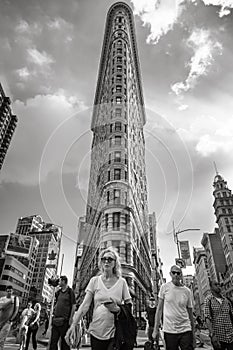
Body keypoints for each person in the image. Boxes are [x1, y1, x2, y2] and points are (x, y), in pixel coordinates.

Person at [66, 247, 132, 350]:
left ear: (115, 263)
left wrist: (118, 309)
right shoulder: (94, 281)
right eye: (103, 259)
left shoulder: (122, 282)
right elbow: (84, 306)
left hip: (115, 333)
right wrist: (73, 325)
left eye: (110, 259)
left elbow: (129, 306)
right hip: (96, 331)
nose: (106, 261)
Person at [153, 265, 195, 350]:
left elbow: (190, 313)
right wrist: (155, 329)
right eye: (173, 273)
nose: (176, 275)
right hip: (169, 331)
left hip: (185, 329)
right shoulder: (164, 287)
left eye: (178, 273)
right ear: (170, 274)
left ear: (181, 275)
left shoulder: (187, 291)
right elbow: (159, 309)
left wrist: (193, 334)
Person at [204, 280, 233, 350]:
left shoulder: (227, 300)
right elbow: (207, 318)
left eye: (219, 284)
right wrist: (212, 335)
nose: (218, 286)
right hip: (219, 338)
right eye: (216, 284)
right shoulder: (208, 300)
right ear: (211, 287)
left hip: (231, 336)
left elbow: (231, 316)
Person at [49, 275, 76, 350]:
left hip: (64, 321)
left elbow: (74, 306)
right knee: (53, 343)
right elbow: (56, 304)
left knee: (65, 344)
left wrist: (71, 319)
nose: (58, 282)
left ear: (64, 281)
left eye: (60, 281)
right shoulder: (58, 292)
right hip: (56, 321)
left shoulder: (70, 292)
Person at [0, 285, 19, 350]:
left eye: (10, 291)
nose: (9, 292)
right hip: (0, 321)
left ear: (12, 291)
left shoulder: (16, 299)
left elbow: (16, 311)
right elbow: (1, 307)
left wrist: (10, 320)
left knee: (1, 339)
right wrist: (10, 302)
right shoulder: (2, 299)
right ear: (6, 291)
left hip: (7, 322)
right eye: (8, 291)